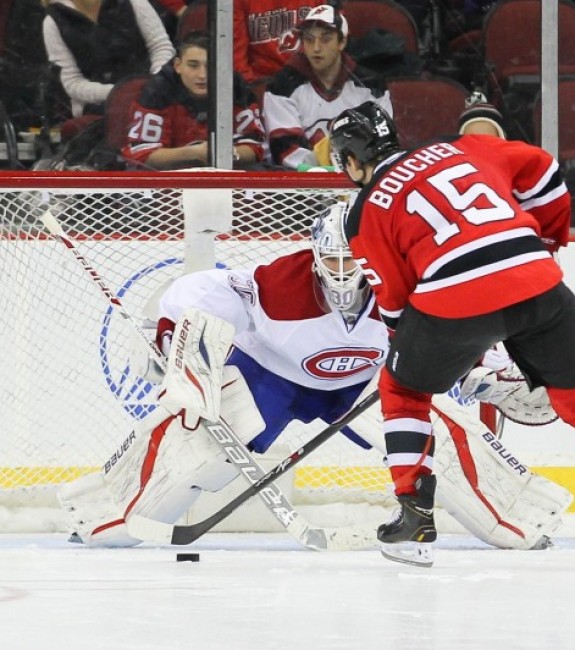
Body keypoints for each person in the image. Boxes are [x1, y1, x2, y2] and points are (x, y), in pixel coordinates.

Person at [57, 200, 570, 556]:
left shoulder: (403, 283)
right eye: (333, 258)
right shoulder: (277, 284)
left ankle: (522, 516)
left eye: (354, 259)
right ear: (315, 254)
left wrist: (488, 370)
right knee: (196, 440)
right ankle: (103, 512)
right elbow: (194, 295)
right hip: (272, 376)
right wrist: (179, 352)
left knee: (434, 428)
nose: (344, 271)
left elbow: (450, 330)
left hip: (365, 381)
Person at [329, 100, 575, 566]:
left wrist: (435, 357)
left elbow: (397, 306)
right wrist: (545, 243)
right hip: (535, 277)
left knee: (402, 388)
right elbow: (543, 170)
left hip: (452, 298)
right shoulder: (460, 147)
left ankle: (414, 516)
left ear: (351, 161)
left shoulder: (362, 214)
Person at [262, 4, 393, 169]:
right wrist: (322, 170)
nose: (316, 48)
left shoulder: (371, 85)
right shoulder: (282, 86)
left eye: (325, 39)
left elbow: (382, 142)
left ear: (342, 42)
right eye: (309, 39)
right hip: (298, 185)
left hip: (357, 180)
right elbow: (285, 149)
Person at [121, 30, 265, 169]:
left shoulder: (237, 90)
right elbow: (142, 155)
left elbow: (255, 148)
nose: (202, 75)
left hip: (224, 180)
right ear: (178, 65)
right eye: (193, 65)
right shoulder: (157, 93)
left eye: (210, 66)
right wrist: (194, 153)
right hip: (168, 184)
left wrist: (227, 154)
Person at [42, 0, 175, 118]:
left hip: (154, 92)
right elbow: (72, 82)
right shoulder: (52, 23)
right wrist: (120, 92)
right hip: (99, 105)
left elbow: (161, 47)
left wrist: (156, 83)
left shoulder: (134, 2)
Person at [234, 0, 325, 86]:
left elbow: (330, 45)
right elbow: (236, 59)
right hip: (260, 85)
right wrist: (253, 90)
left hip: (310, 81)